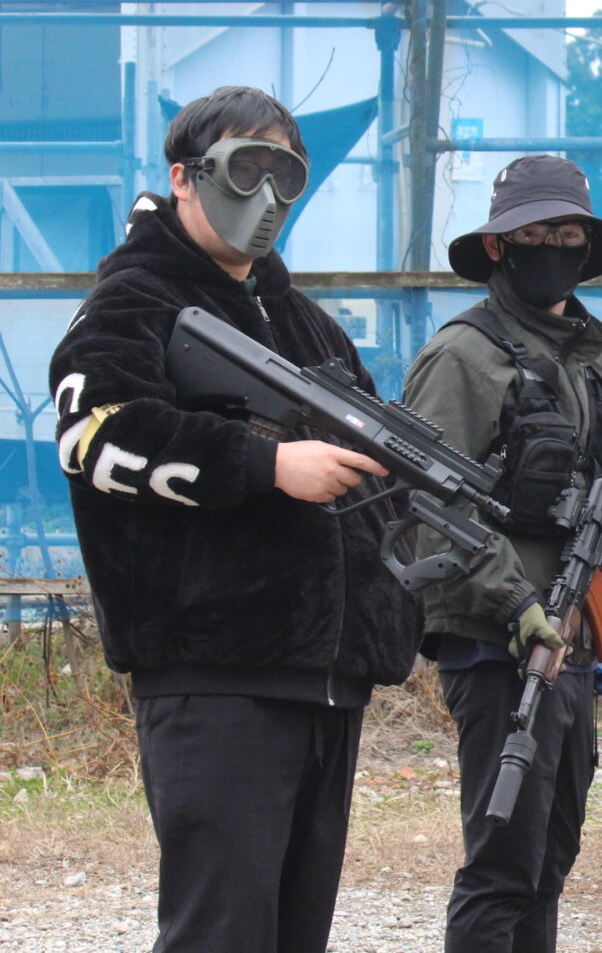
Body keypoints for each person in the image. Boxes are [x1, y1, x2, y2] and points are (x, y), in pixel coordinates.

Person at [48, 86, 422, 953]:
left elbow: (377, 480)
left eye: (286, 175)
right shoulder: (133, 299)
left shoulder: (305, 323)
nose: (267, 195)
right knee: (221, 933)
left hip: (326, 682)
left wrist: (399, 615)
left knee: (294, 934)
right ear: (184, 176)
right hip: (216, 677)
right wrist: (265, 463)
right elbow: (94, 433)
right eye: (245, 167)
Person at [402, 155, 602, 953]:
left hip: (572, 636)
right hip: (497, 640)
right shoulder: (463, 356)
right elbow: (428, 504)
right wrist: (514, 603)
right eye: (537, 234)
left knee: (549, 857)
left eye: (568, 235)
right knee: (503, 864)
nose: (554, 249)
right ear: (498, 246)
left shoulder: (594, 360)